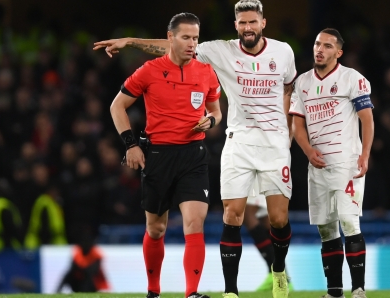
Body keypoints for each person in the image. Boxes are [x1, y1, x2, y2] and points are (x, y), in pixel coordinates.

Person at [94, 1, 296, 297]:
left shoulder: (270, 55)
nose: (248, 27)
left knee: (203, 222)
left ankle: (199, 292)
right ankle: (160, 291)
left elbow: (225, 106)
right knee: (161, 228)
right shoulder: (174, 64)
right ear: (236, 25)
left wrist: (216, 120)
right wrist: (131, 43)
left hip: (201, 154)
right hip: (169, 154)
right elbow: (122, 101)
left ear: (263, 22)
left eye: (253, 21)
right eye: (242, 22)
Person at [108, 12, 222, 298]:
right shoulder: (149, 70)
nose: (192, 44)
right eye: (186, 37)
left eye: (195, 38)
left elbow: (216, 112)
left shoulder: (206, 72)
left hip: (194, 155)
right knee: (156, 228)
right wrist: (131, 145)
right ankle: (153, 291)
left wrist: (211, 121)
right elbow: (117, 107)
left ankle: (192, 293)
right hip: (158, 155)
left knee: (195, 222)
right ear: (170, 38)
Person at [289, 28, 373, 298]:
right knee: (326, 228)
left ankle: (358, 289)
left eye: (327, 46)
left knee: (349, 222)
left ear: (338, 53)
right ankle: (334, 291)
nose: (319, 49)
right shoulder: (302, 83)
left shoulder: (352, 79)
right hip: (318, 166)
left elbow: (367, 120)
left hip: (346, 163)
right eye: (317, 44)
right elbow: (297, 124)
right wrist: (307, 150)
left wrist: (365, 154)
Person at [56, 227, 110, 293]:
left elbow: (94, 271)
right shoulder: (78, 251)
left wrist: (82, 267)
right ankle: (58, 291)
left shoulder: (95, 253)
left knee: (88, 277)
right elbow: (72, 268)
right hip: (80, 281)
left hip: (95, 284)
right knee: (68, 274)